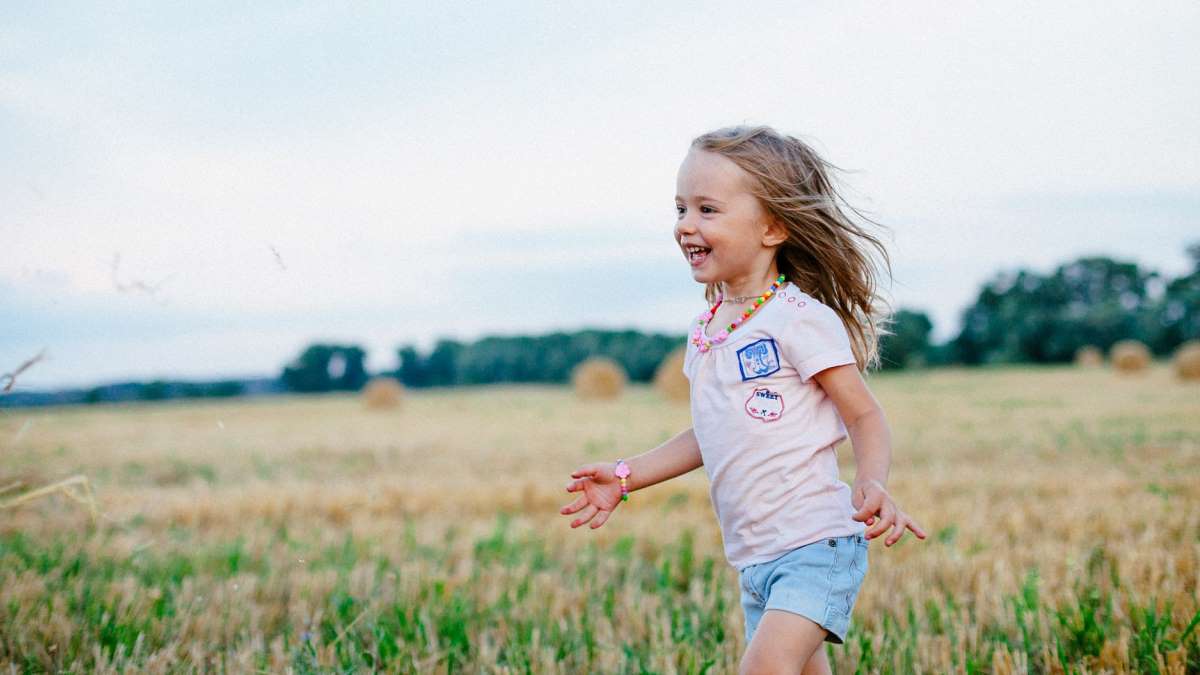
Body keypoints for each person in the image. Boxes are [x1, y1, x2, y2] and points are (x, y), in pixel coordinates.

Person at [559, 124, 927, 674]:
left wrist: (871, 480)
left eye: (708, 210)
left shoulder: (800, 320)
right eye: (680, 208)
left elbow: (863, 413)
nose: (686, 225)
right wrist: (627, 474)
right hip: (754, 559)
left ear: (773, 227)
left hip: (815, 546)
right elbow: (710, 432)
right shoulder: (707, 328)